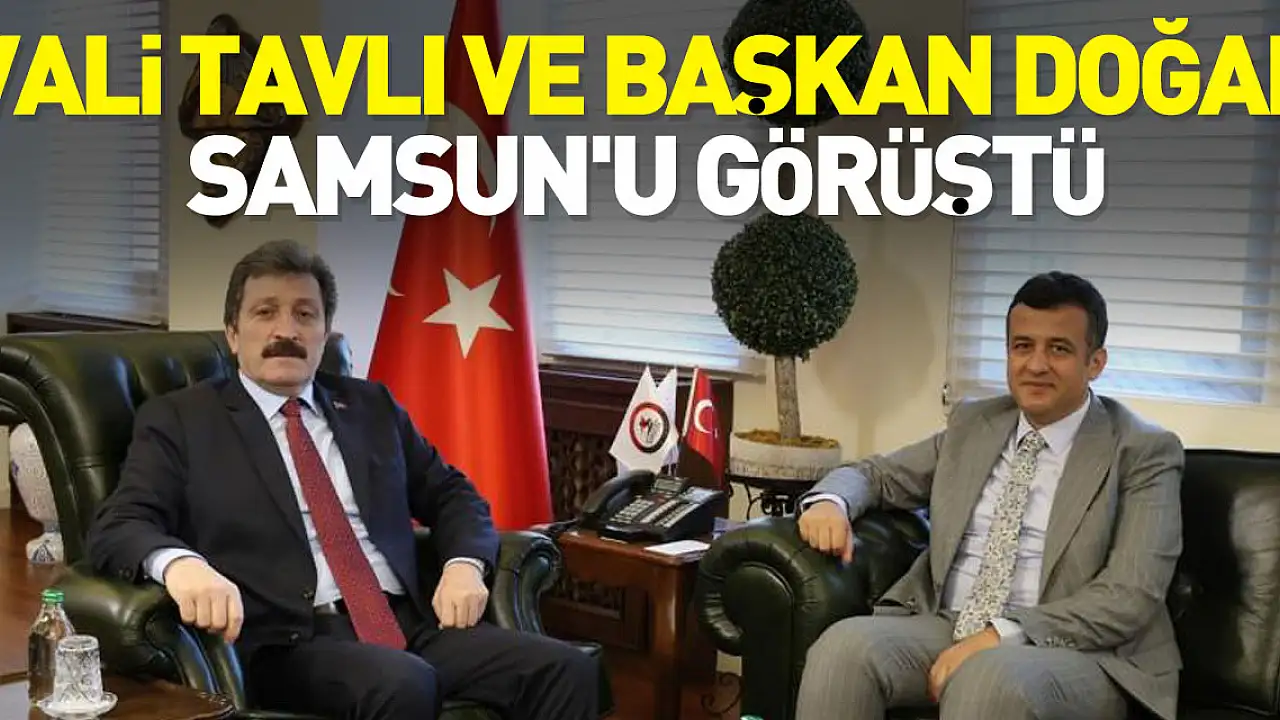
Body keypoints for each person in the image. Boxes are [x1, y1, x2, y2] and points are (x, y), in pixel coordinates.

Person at [87, 240, 598, 720]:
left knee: (567, 669)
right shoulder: (182, 419)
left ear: (324, 332)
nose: (286, 330)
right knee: (402, 681)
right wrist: (180, 565)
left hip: (407, 624)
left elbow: (452, 494)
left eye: (304, 314)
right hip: (287, 642)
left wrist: (464, 565)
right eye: (265, 312)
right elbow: (121, 521)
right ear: (233, 333)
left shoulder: (371, 406)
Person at [793, 271, 1183, 720]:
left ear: (1095, 362)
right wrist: (831, 502)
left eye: (1059, 349)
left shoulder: (1143, 450)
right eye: (1023, 346)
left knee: (988, 676)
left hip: (1084, 652)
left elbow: (1130, 594)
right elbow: (876, 475)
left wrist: (1003, 633)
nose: (1036, 365)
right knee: (842, 649)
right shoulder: (973, 425)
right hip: (952, 621)